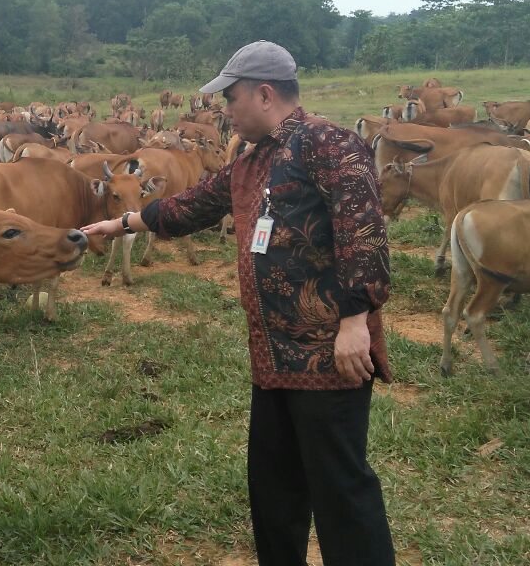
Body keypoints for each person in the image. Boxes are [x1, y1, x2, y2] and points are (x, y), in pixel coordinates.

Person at [82, 40, 395, 565]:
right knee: (274, 488)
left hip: (329, 353)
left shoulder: (329, 144)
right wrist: (122, 223)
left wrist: (355, 320)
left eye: (231, 98)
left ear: (265, 93)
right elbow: (192, 206)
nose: (224, 111)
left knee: (340, 489)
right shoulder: (253, 162)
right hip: (271, 358)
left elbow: (364, 232)